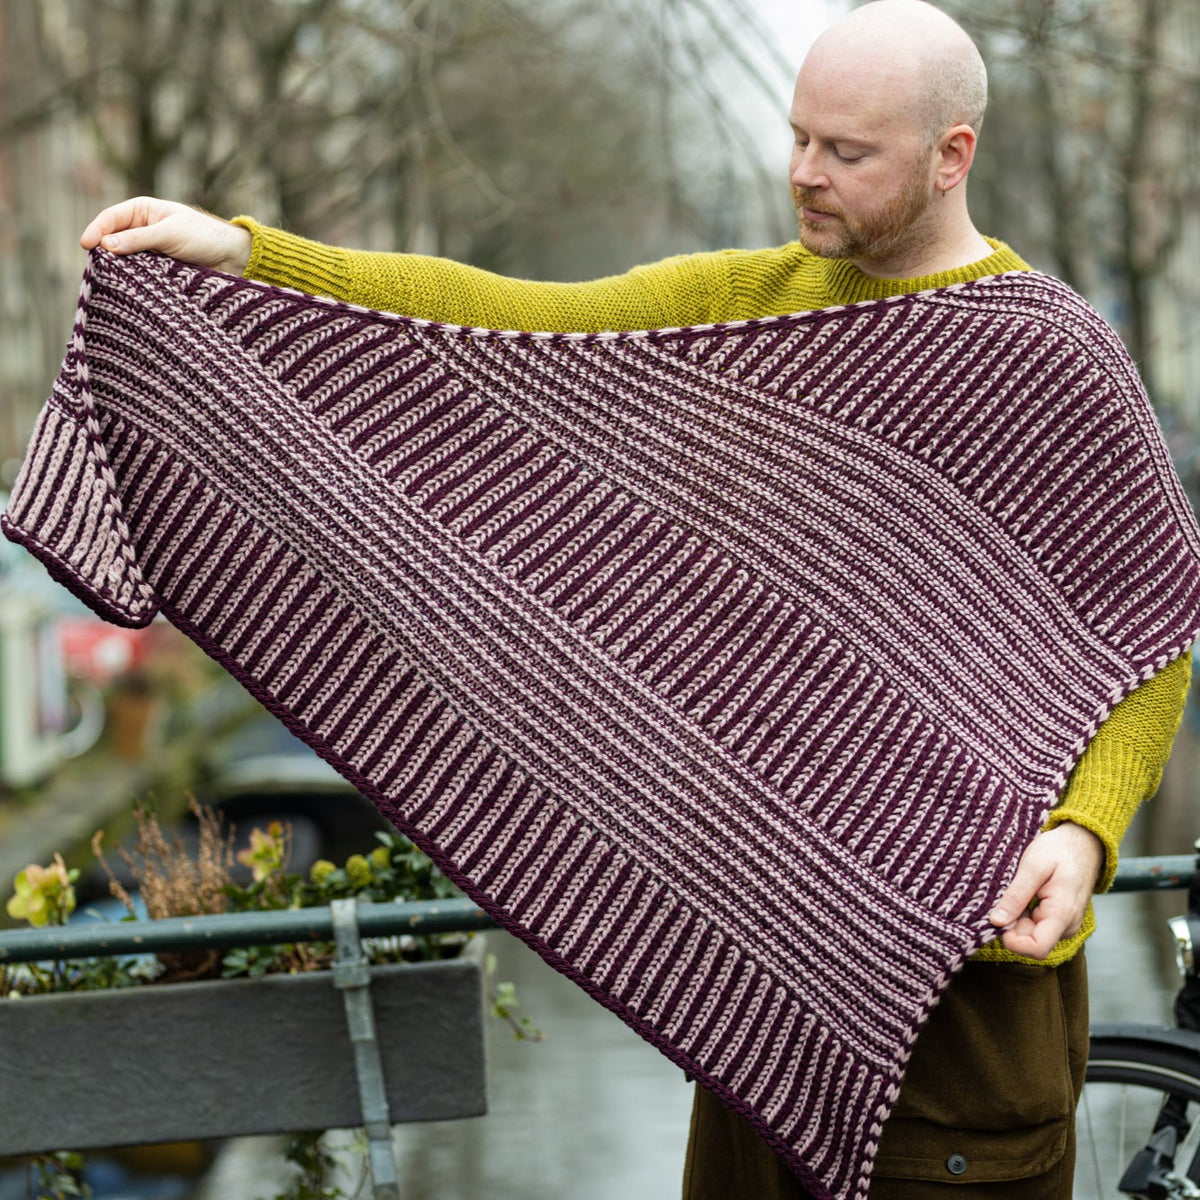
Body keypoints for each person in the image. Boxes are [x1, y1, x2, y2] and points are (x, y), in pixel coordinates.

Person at [79, 1, 1191, 1195]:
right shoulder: (743, 305)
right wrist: (249, 257)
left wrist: (1085, 831)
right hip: (766, 1010)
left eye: (846, 151)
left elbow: (1153, 629)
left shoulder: (1053, 360)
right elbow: (495, 315)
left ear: (950, 154)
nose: (804, 173)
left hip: (965, 1007)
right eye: (797, 137)